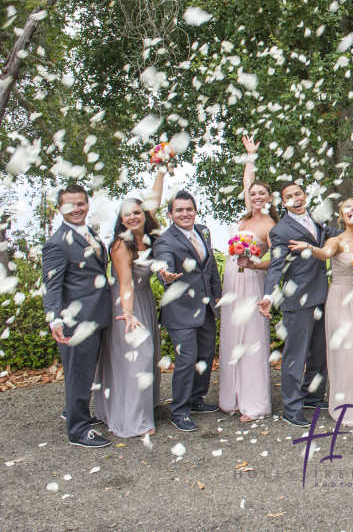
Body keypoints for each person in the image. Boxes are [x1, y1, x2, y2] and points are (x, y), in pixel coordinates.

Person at [93, 167, 167, 437]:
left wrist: (160, 170)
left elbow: (154, 201)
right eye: (127, 214)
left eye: (137, 212)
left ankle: (139, 407)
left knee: (148, 357)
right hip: (126, 303)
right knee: (137, 357)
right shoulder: (120, 246)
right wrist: (128, 313)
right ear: (121, 220)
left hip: (145, 297)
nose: (133, 217)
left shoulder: (150, 237)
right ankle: (133, 420)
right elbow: (125, 283)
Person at [292, 197, 353, 428]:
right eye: (347, 207)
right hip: (341, 300)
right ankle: (349, 407)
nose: (352, 209)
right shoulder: (336, 240)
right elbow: (325, 253)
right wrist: (310, 248)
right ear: (342, 216)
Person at [43, 184, 113, 448]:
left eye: (81, 203)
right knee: (78, 374)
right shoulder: (56, 243)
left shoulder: (89, 233)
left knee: (85, 373)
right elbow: (52, 286)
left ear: (87, 204)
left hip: (96, 314)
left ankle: (75, 412)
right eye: (70, 204)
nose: (76, 209)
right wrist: (56, 320)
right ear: (59, 208)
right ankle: (78, 430)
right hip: (76, 320)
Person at [256, 181, 332, 427]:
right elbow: (276, 265)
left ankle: (313, 396)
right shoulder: (281, 230)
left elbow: (334, 236)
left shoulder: (317, 220)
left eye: (298, 193)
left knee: (319, 353)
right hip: (297, 300)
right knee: (295, 355)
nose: (295, 199)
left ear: (305, 195)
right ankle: (291, 406)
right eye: (289, 196)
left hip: (322, 296)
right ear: (283, 202)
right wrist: (269, 296)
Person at [152, 190, 223, 433]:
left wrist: (217, 295)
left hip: (206, 308)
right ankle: (179, 411)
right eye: (179, 210)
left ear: (195, 210)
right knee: (186, 360)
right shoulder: (164, 240)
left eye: (189, 209)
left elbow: (210, 265)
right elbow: (163, 262)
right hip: (181, 311)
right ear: (170, 213)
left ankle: (196, 400)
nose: (185, 213)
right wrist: (166, 275)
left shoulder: (203, 231)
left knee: (204, 357)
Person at [219, 136, 277, 422]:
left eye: (262, 194)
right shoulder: (244, 219)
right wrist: (250, 157)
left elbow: (276, 261)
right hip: (232, 283)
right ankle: (233, 398)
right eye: (253, 194)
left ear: (270, 199)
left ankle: (254, 403)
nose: (256, 197)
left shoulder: (270, 226)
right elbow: (246, 183)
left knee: (251, 339)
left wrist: (254, 264)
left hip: (252, 283)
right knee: (232, 337)